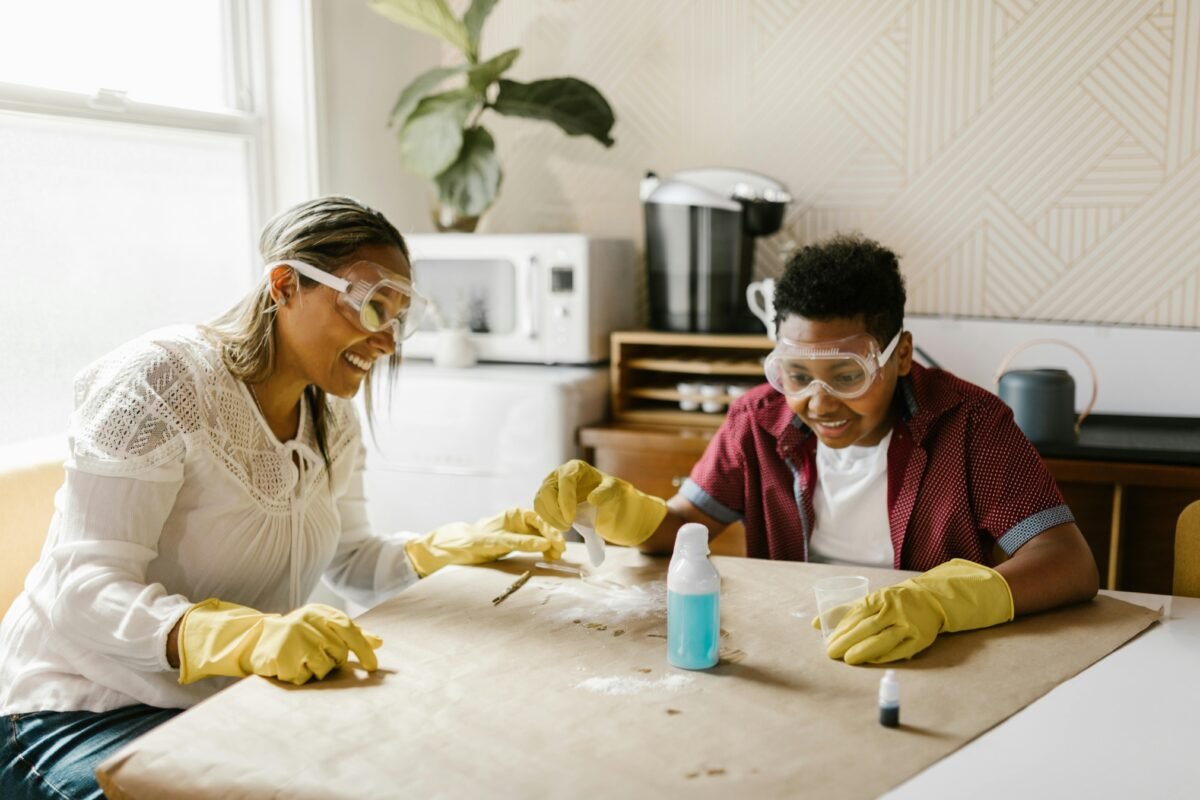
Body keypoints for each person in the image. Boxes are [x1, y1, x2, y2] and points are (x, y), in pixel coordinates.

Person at [0, 196, 564, 800]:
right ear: (285, 284)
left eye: (400, 318)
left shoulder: (332, 418)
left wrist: (452, 549)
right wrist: (242, 638)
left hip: (221, 708)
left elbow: (353, 562)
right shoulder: (160, 380)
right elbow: (81, 591)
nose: (388, 341)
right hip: (80, 711)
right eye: (373, 306)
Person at [536, 233, 1099, 666]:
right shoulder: (758, 419)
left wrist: (941, 602)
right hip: (795, 649)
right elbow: (683, 528)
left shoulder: (971, 424)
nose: (817, 402)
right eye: (796, 373)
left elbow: (1069, 563)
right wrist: (616, 507)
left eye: (846, 376)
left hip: (934, 653)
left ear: (900, 356)